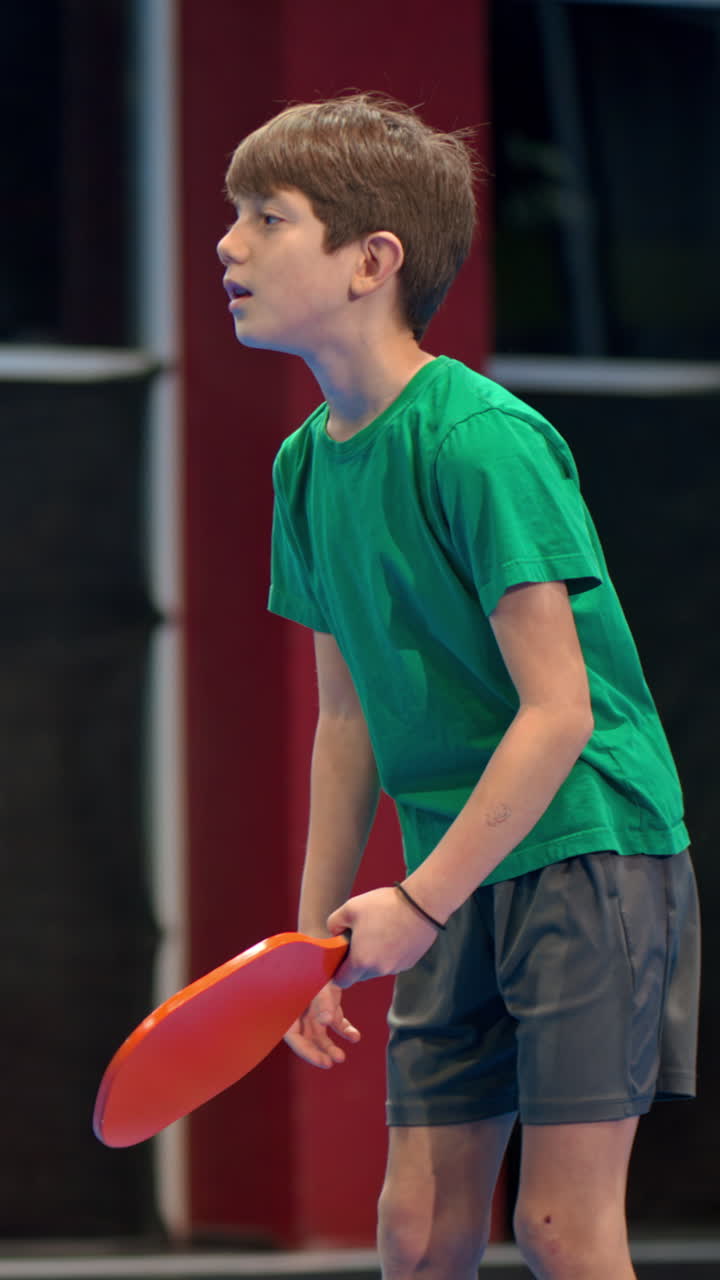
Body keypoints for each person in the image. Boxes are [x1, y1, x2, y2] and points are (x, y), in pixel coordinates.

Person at [216, 93, 700, 1280]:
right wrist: (307, 944)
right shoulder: (302, 468)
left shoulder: (483, 439)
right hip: (456, 861)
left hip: (586, 843)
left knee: (557, 1226)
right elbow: (346, 723)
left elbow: (560, 710)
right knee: (419, 1228)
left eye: (267, 217)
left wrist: (420, 903)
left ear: (370, 261)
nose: (227, 245)